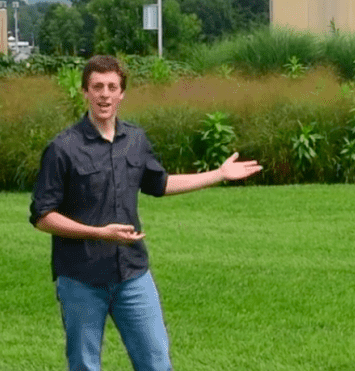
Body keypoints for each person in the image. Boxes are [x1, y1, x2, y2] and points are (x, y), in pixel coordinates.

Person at [29, 55, 262, 371]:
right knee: (84, 365)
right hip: (81, 278)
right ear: (85, 92)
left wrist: (218, 174)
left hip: (132, 275)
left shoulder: (135, 140)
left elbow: (160, 183)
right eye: (97, 87)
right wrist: (98, 233)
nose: (105, 95)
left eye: (112, 87)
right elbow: (42, 215)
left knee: (156, 362)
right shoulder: (63, 148)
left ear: (122, 93)